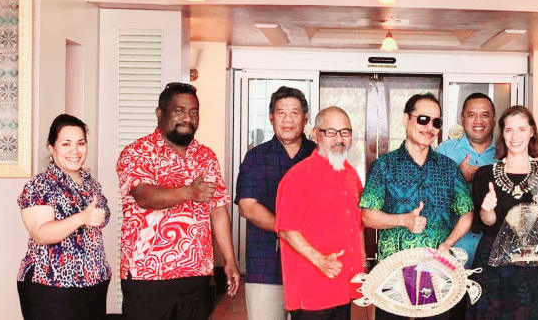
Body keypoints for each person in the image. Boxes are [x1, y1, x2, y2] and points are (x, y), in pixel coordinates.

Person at [116, 82, 240, 320]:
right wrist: (189, 193)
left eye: (193, 112)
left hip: (197, 274)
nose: (188, 118)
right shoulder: (137, 151)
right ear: (160, 113)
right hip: (148, 275)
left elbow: (218, 209)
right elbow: (144, 196)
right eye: (179, 111)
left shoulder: (206, 156)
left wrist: (229, 260)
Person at [360, 92, 474, 320]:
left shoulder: (449, 168)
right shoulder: (384, 166)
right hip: (393, 277)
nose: (429, 127)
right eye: (423, 119)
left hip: (439, 275)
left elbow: (467, 212)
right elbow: (367, 216)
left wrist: (448, 244)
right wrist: (403, 220)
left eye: (436, 122)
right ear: (406, 119)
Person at [467, 105, 538, 320]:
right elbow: (486, 223)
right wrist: (487, 210)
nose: (515, 136)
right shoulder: (485, 175)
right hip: (494, 264)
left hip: (534, 265)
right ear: (502, 134)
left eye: (521, 129)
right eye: (509, 130)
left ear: (532, 131)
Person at [275, 106, 365, 320]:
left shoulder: (351, 174)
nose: (339, 139)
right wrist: (321, 260)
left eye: (345, 132)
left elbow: (357, 224)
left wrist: (362, 267)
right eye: (331, 132)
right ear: (315, 134)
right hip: (311, 290)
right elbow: (287, 230)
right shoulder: (297, 176)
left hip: (343, 286)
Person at [17, 114, 110, 320]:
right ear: (52, 147)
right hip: (52, 283)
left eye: (81, 143)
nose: (75, 151)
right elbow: (41, 233)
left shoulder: (91, 184)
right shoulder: (40, 185)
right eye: (66, 144)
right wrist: (82, 218)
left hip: (94, 283)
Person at [236, 86, 317, 320]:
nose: (288, 120)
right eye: (281, 113)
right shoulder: (256, 157)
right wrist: (290, 232)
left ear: (306, 117)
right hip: (266, 267)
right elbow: (247, 206)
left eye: (294, 113)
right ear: (271, 117)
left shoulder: (318, 155)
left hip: (312, 266)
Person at [435, 92, 498, 267]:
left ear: (494, 120)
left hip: (494, 254)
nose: (478, 121)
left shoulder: (504, 153)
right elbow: (430, 199)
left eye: (485, 115)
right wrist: (458, 176)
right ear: (462, 119)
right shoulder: (445, 151)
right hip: (450, 251)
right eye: (471, 115)